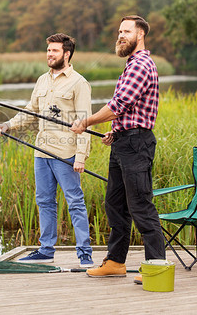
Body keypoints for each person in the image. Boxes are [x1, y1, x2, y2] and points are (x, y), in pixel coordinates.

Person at [70, 15, 165, 281]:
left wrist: (85, 121)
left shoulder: (140, 65)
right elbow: (126, 112)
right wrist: (116, 131)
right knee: (115, 205)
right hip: (125, 141)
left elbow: (117, 106)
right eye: (119, 31)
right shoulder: (131, 64)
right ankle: (115, 262)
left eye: (126, 32)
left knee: (140, 206)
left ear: (141, 35)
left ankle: (157, 268)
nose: (120, 36)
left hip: (136, 144)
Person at [0, 33, 94, 268]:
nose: (49, 54)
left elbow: (83, 122)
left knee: (75, 202)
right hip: (41, 151)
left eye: (54, 51)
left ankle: (85, 254)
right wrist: (8, 125)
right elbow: (30, 111)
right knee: (45, 201)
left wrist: (80, 157)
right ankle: (46, 250)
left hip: (65, 154)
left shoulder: (79, 83)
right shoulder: (42, 81)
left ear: (66, 54)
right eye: (48, 50)